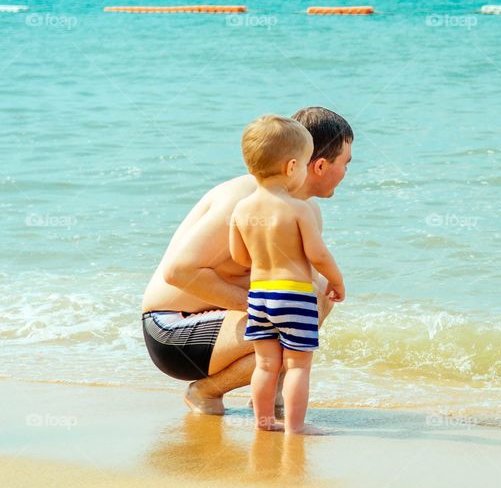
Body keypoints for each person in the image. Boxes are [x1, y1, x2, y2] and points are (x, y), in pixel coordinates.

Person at [141, 107, 353, 415]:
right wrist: (256, 307)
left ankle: (269, 397)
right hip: (170, 330)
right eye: (346, 163)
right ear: (319, 165)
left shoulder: (303, 209)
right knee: (289, 319)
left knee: (314, 294)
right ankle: (205, 391)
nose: (347, 172)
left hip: (213, 321)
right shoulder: (244, 199)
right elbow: (179, 271)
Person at [229, 115, 344, 434]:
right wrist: (336, 280)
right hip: (295, 296)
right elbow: (317, 254)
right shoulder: (299, 209)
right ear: (293, 167)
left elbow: (240, 257)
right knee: (297, 366)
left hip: (260, 297)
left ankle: (264, 422)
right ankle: (295, 426)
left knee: (266, 365)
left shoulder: (241, 209)